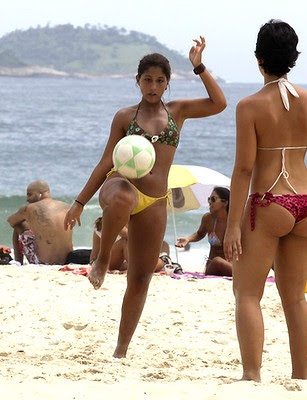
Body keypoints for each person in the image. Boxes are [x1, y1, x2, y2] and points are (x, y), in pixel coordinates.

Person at [64, 36, 226, 358]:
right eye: (147, 79)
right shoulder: (124, 117)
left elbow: (219, 103)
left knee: (140, 278)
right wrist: (80, 201)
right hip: (120, 185)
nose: (153, 86)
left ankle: (121, 350)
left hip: (154, 200)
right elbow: (106, 161)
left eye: (160, 80)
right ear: (137, 81)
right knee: (122, 195)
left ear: (168, 84)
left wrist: (199, 67)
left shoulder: (178, 111)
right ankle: (101, 258)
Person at [223, 20, 307, 382]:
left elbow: (243, 169)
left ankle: (252, 376)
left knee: (247, 294)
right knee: (295, 298)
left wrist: (232, 225)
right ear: (293, 57)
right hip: (305, 202)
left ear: (258, 59)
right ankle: (301, 376)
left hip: (268, 203)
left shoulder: (250, 106)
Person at [7, 180, 73, 265]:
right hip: (68, 260)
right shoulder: (67, 207)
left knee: (18, 224)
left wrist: (27, 218)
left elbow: (11, 221)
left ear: (40, 193)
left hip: (43, 263)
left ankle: (18, 262)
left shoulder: (29, 208)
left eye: (29, 194)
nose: (27, 199)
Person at [175, 187, 232, 276]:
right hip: (212, 266)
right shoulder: (208, 219)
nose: (209, 202)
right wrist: (188, 239)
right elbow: (199, 234)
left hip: (230, 266)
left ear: (225, 203)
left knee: (218, 261)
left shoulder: (234, 223)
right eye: (209, 199)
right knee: (216, 261)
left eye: (213, 199)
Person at [90, 216, 171, 272]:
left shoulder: (133, 220)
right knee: (124, 242)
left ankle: (162, 261)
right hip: (104, 261)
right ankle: (160, 263)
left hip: (126, 262)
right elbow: (132, 239)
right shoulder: (105, 222)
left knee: (164, 244)